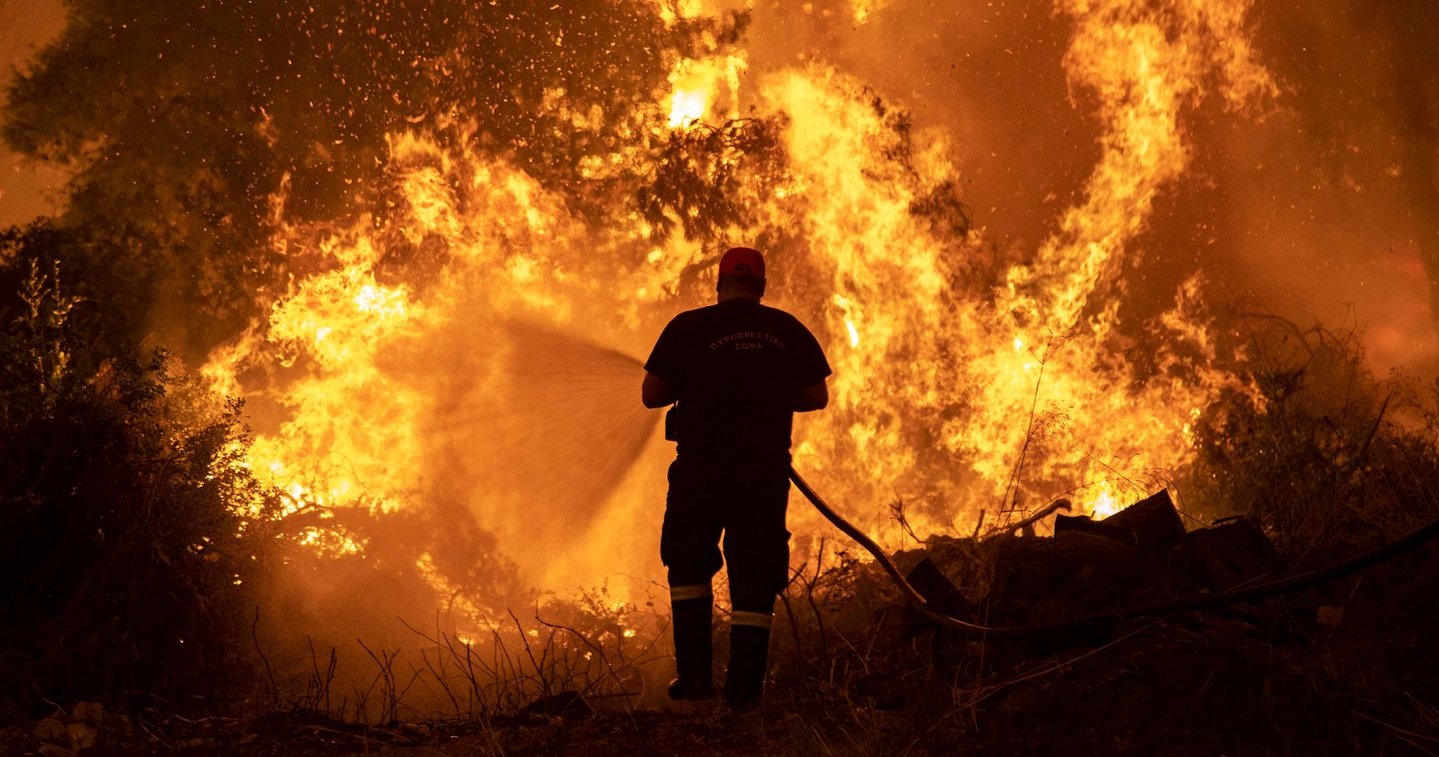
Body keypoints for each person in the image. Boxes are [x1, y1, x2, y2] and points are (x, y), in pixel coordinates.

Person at [642, 246, 831, 711]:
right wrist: (765, 394)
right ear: (761, 287)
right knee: (755, 576)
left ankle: (695, 685)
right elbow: (815, 395)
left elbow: (652, 394)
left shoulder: (688, 327)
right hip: (762, 474)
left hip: (700, 471)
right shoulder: (785, 330)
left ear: (720, 284)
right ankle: (745, 695)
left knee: (688, 567)